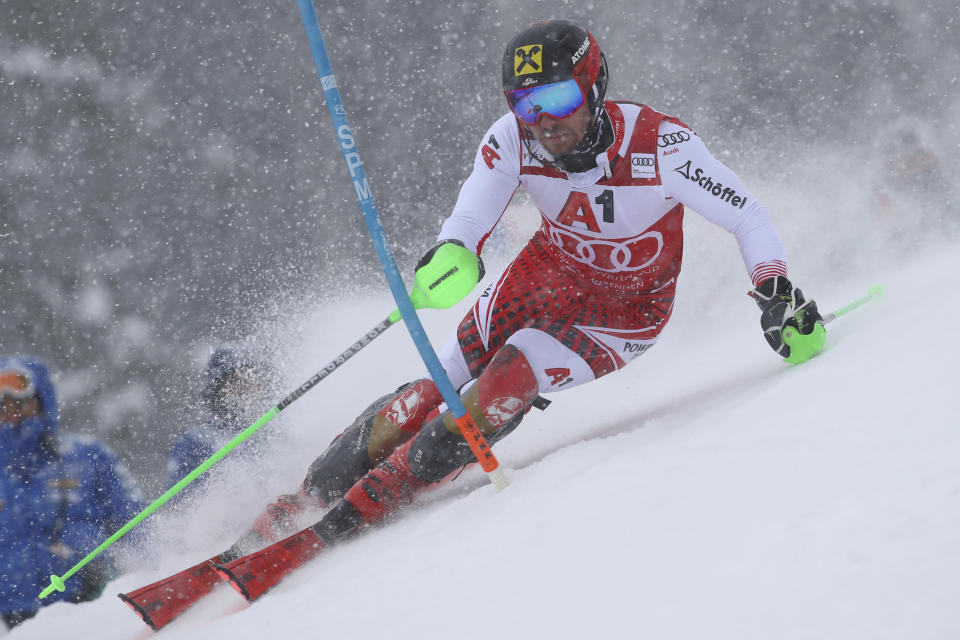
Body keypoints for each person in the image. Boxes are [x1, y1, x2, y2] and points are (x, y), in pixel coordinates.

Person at [216, 18, 826, 560]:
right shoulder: (512, 138)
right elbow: (470, 217)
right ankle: (311, 493)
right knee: (431, 390)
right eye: (526, 104)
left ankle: (379, 496)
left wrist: (773, 291)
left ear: (593, 87)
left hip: (622, 313)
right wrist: (453, 250)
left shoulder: (662, 147)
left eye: (558, 98)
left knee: (506, 379)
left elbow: (747, 215)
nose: (545, 122)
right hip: (542, 279)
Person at [0, 356, 144, 629]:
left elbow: (136, 523)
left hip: (94, 609)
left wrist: (153, 577)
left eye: (21, 403)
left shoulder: (88, 457)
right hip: (14, 623)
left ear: (42, 402)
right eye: (2, 408)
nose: (12, 415)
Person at [163, 347, 277, 493]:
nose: (246, 388)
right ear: (217, 388)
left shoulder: (275, 438)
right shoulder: (196, 441)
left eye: (251, 378)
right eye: (235, 380)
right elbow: (178, 504)